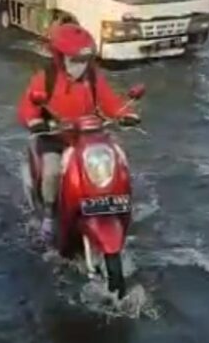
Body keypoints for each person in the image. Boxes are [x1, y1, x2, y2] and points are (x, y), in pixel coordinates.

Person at [17, 24, 140, 241]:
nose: (79, 67)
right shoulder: (45, 78)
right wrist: (35, 121)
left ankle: (119, 207)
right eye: (74, 61)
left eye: (84, 61)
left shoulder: (93, 78)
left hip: (88, 137)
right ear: (60, 57)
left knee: (119, 160)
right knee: (52, 171)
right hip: (55, 137)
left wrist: (126, 114)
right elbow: (28, 105)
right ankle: (48, 215)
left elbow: (110, 101)